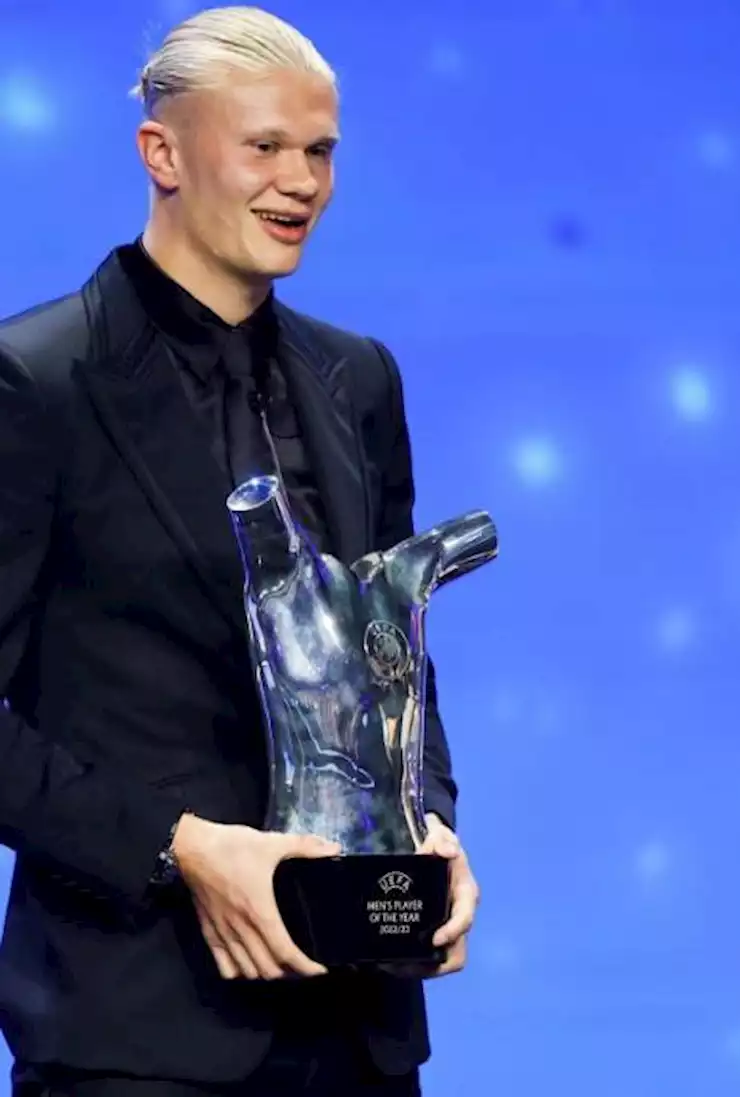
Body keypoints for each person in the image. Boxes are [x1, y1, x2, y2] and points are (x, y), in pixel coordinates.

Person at [0, 7, 479, 1095]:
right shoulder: (35, 382)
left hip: (357, 1018)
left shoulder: (358, 381)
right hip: (136, 1030)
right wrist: (180, 846)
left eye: (319, 151)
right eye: (263, 146)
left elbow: (392, 654)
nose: (300, 180)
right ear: (160, 152)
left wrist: (430, 824)